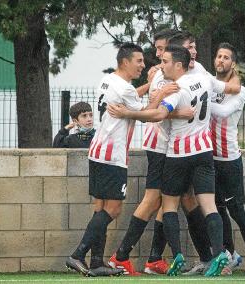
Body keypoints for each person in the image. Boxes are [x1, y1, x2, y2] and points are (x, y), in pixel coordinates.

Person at [107, 30, 241, 276]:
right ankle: (209, 255)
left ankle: (173, 257)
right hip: (169, 147)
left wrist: (130, 112)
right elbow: (230, 88)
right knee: (170, 201)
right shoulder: (172, 76)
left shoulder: (184, 78)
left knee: (175, 202)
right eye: (190, 46)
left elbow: (155, 112)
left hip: (178, 150)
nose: (194, 50)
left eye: (162, 53)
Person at [65, 42, 178, 277]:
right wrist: (162, 93)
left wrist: (148, 85)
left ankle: (96, 261)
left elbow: (131, 99)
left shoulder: (108, 80)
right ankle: (77, 255)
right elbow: (146, 113)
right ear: (125, 62)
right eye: (138, 61)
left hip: (97, 151)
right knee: (114, 209)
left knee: (101, 208)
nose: (142, 65)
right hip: (112, 154)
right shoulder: (125, 88)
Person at [106, 29, 194, 276]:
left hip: (169, 147)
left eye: (160, 49)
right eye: (156, 50)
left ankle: (153, 258)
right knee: (155, 199)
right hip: (160, 145)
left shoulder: (173, 72)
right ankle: (121, 256)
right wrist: (180, 113)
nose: (156, 55)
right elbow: (156, 112)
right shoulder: (164, 75)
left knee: (165, 201)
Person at [210, 43, 245, 276]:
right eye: (219, 56)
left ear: (233, 63)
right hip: (209, 158)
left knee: (236, 210)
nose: (221, 60)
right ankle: (230, 255)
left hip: (229, 158)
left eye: (226, 57)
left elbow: (221, 112)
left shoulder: (238, 90)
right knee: (218, 209)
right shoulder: (211, 83)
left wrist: (200, 96)